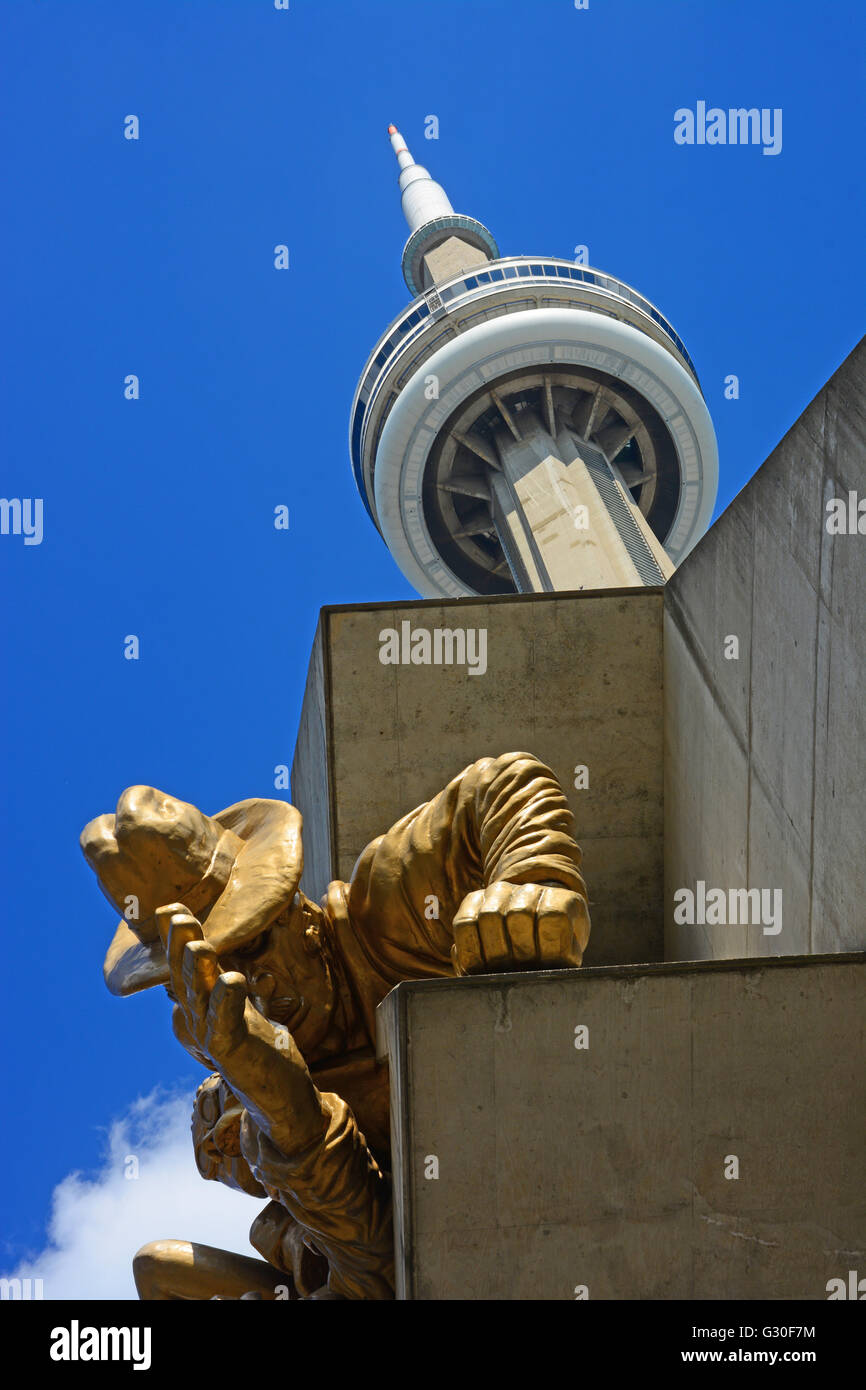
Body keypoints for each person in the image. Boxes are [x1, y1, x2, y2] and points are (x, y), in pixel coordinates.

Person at [81, 752, 591, 1299]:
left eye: (254, 944)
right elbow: (378, 1270)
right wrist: (278, 1096)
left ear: (296, 911)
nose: (257, 990)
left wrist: (531, 879)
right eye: (217, 974)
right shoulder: (260, 1110)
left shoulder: (385, 917)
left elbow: (504, 781)